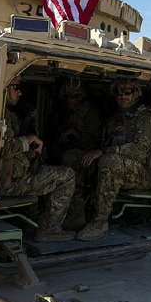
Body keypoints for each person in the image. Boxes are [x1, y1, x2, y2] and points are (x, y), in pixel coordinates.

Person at [76, 79, 151, 241]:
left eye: (127, 92)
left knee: (109, 162)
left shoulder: (146, 117)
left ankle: (100, 223)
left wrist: (103, 152)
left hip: (144, 174)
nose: (122, 96)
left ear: (137, 93)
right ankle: (76, 215)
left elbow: (140, 150)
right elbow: (102, 143)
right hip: (119, 167)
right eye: (118, 92)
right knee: (76, 157)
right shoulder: (115, 119)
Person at [0, 78, 76, 242]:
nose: (19, 92)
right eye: (15, 87)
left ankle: (32, 221)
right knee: (67, 175)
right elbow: (2, 148)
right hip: (7, 184)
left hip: (11, 176)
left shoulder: (3, 112)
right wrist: (29, 139)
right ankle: (50, 229)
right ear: (3, 87)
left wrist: (30, 151)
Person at [56, 80, 102, 230]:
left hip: (89, 157)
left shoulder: (91, 114)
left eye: (75, 96)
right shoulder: (65, 112)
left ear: (82, 97)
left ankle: (76, 216)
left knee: (70, 159)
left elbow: (94, 142)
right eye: (67, 96)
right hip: (70, 152)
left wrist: (76, 134)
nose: (70, 99)